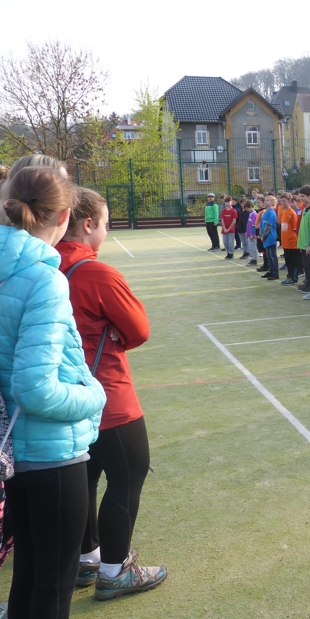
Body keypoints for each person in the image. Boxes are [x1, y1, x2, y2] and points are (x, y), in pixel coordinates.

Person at [0, 166, 106, 618]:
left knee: (27, 577)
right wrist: (94, 395)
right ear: (64, 216)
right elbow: (35, 388)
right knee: (53, 588)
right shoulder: (44, 279)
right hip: (50, 456)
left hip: (13, 456)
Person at [56, 188, 167, 599]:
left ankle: (87, 558)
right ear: (87, 225)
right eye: (106, 223)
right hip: (106, 392)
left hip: (62, 395)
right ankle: (114, 569)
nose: (107, 230)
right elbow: (138, 329)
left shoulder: (41, 265)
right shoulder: (97, 273)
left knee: (85, 475)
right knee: (128, 475)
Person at [278, 194, 301, 286]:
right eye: (281, 201)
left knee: (294, 262)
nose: (282, 203)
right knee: (288, 261)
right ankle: (289, 276)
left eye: (284, 201)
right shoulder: (284, 211)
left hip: (292, 243)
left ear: (289, 201)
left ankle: (294, 278)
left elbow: (296, 229)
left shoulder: (292, 213)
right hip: (286, 242)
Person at [259, 194, 279, 280]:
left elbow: (269, 226)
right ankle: (270, 271)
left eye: (267, 201)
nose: (265, 202)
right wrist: (261, 235)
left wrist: (263, 235)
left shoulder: (271, 213)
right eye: (265, 200)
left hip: (270, 237)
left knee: (273, 256)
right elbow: (261, 225)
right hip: (265, 237)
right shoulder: (264, 213)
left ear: (272, 203)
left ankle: (275, 273)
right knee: (268, 256)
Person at [243, 200, 258, 265]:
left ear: (251, 206)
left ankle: (254, 259)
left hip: (252, 235)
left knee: (253, 247)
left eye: (247, 208)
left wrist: (252, 234)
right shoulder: (250, 214)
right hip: (249, 234)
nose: (247, 210)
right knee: (251, 247)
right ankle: (252, 258)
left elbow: (254, 225)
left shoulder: (254, 214)